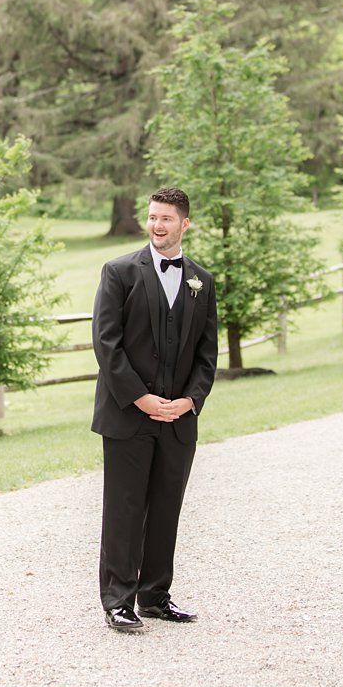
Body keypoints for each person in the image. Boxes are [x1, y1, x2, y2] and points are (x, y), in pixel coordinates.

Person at [91, 187, 219, 632]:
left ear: (185, 224)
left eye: (166, 218)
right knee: (125, 509)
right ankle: (118, 601)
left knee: (167, 508)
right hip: (128, 415)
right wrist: (141, 398)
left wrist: (190, 401)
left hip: (178, 420)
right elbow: (107, 346)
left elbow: (207, 355)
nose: (157, 225)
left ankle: (156, 597)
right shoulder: (119, 272)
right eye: (152, 217)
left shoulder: (202, 281)